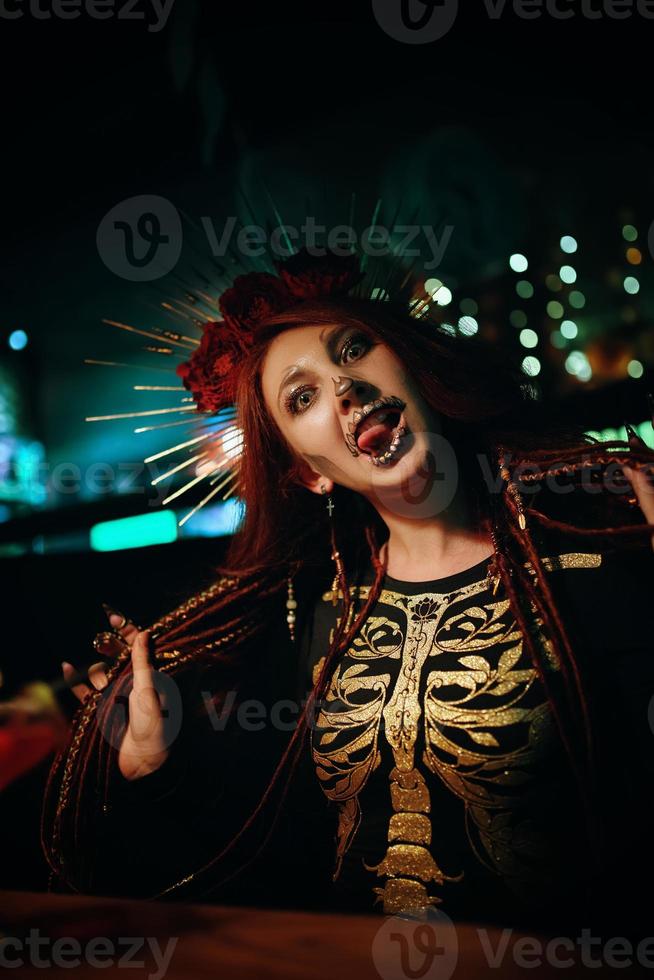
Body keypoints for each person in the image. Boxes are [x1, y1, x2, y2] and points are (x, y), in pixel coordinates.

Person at [42, 248, 654, 937]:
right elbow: (283, 858)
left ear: (413, 366)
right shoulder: (318, 614)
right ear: (309, 475)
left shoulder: (582, 563)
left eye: (354, 350)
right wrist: (158, 769)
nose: (343, 389)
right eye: (301, 397)